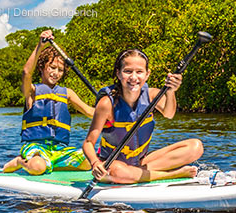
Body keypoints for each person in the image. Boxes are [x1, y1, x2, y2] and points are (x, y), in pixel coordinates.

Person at [83, 49, 203, 184]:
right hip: (112, 165)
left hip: (140, 162)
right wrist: (95, 163)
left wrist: (171, 92)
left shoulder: (152, 95)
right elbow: (88, 143)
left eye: (139, 72)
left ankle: (138, 173)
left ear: (147, 74)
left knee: (195, 146)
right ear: (118, 73)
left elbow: (169, 114)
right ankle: (173, 174)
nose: (134, 77)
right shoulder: (106, 104)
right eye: (127, 71)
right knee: (118, 172)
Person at [3, 30, 94, 175]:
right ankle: (21, 162)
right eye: (52, 67)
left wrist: (115, 111)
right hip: (36, 147)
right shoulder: (32, 91)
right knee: (38, 167)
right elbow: (26, 72)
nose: (55, 73)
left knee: (89, 161)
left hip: (59, 149)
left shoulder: (67, 93)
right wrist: (40, 46)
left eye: (60, 70)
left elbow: (91, 112)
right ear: (42, 67)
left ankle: (50, 165)